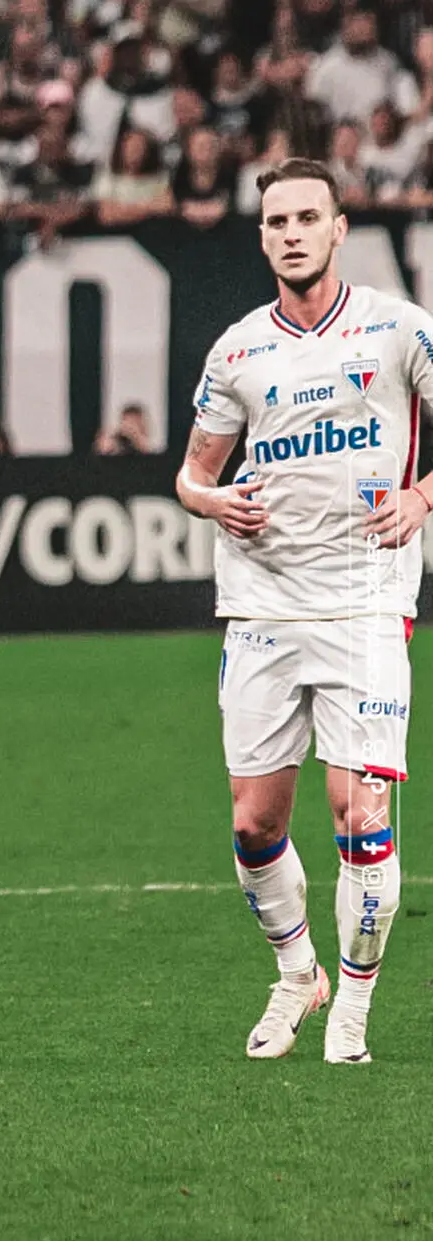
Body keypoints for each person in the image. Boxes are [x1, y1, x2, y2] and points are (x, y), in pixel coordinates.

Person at [178, 157, 433, 1065]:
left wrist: (423, 497)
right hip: (262, 606)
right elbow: (190, 472)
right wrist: (213, 502)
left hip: (364, 603)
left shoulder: (402, 330)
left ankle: (354, 1010)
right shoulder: (237, 349)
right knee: (254, 824)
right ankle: (298, 972)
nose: (290, 232)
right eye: (276, 220)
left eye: (306, 217)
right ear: (262, 237)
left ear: (338, 229)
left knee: (362, 810)